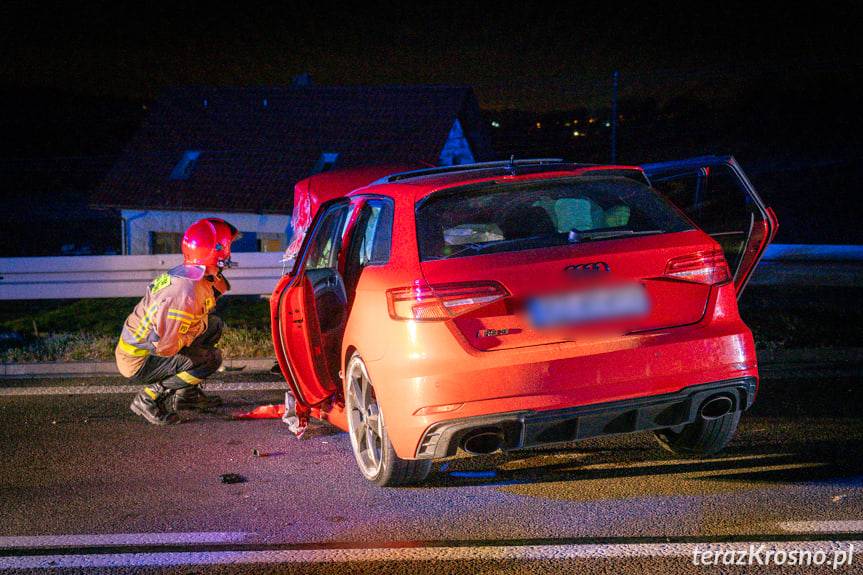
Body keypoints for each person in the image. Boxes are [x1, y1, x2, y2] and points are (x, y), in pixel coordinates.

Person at [117, 218, 239, 425]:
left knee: (214, 325)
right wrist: (195, 332)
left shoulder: (192, 277)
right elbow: (165, 347)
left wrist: (197, 328)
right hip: (141, 359)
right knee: (211, 359)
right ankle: (148, 398)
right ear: (216, 251)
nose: (229, 254)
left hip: (147, 347)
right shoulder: (184, 293)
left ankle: (186, 396)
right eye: (227, 248)